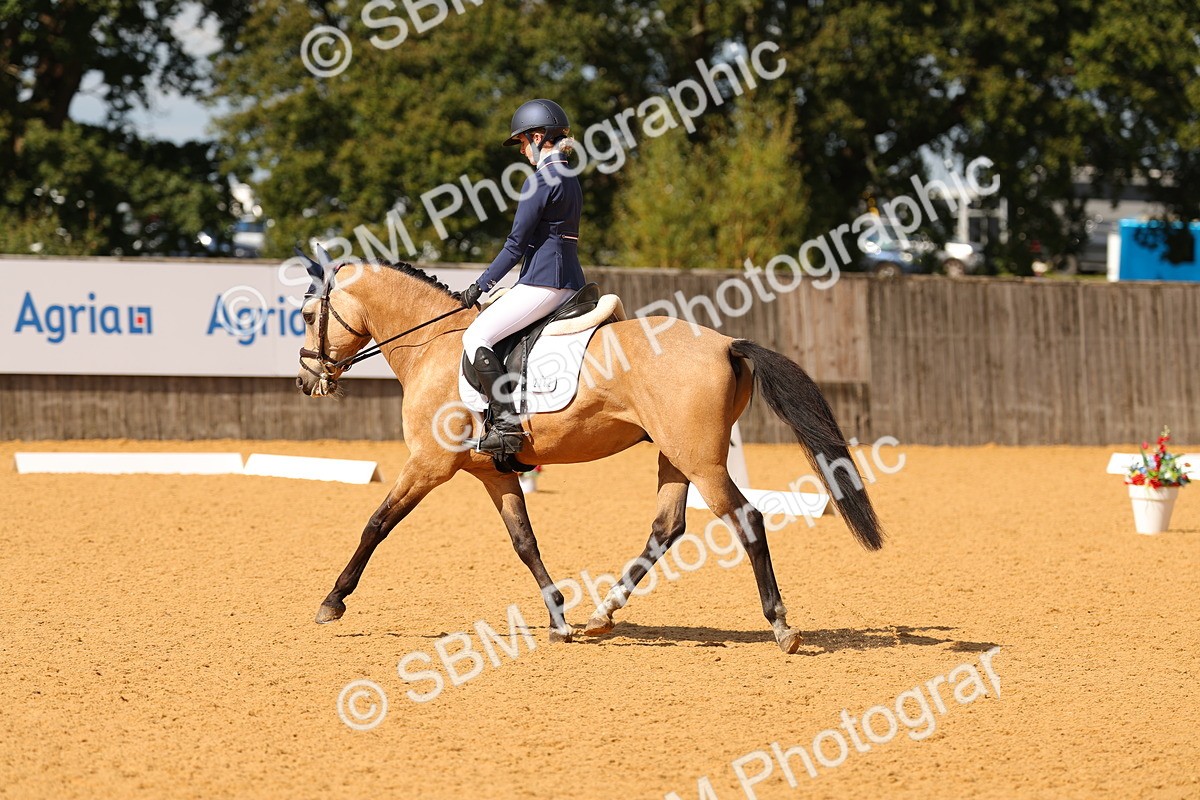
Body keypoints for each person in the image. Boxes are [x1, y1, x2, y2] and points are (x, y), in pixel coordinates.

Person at [459, 99, 586, 457]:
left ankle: (506, 427)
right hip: (571, 281)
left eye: (522, 144)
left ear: (537, 136)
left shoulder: (541, 181)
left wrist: (480, 286)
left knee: (477, 334)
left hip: (543, 282)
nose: (522, 152)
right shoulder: (570, 177)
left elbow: (515, 245)